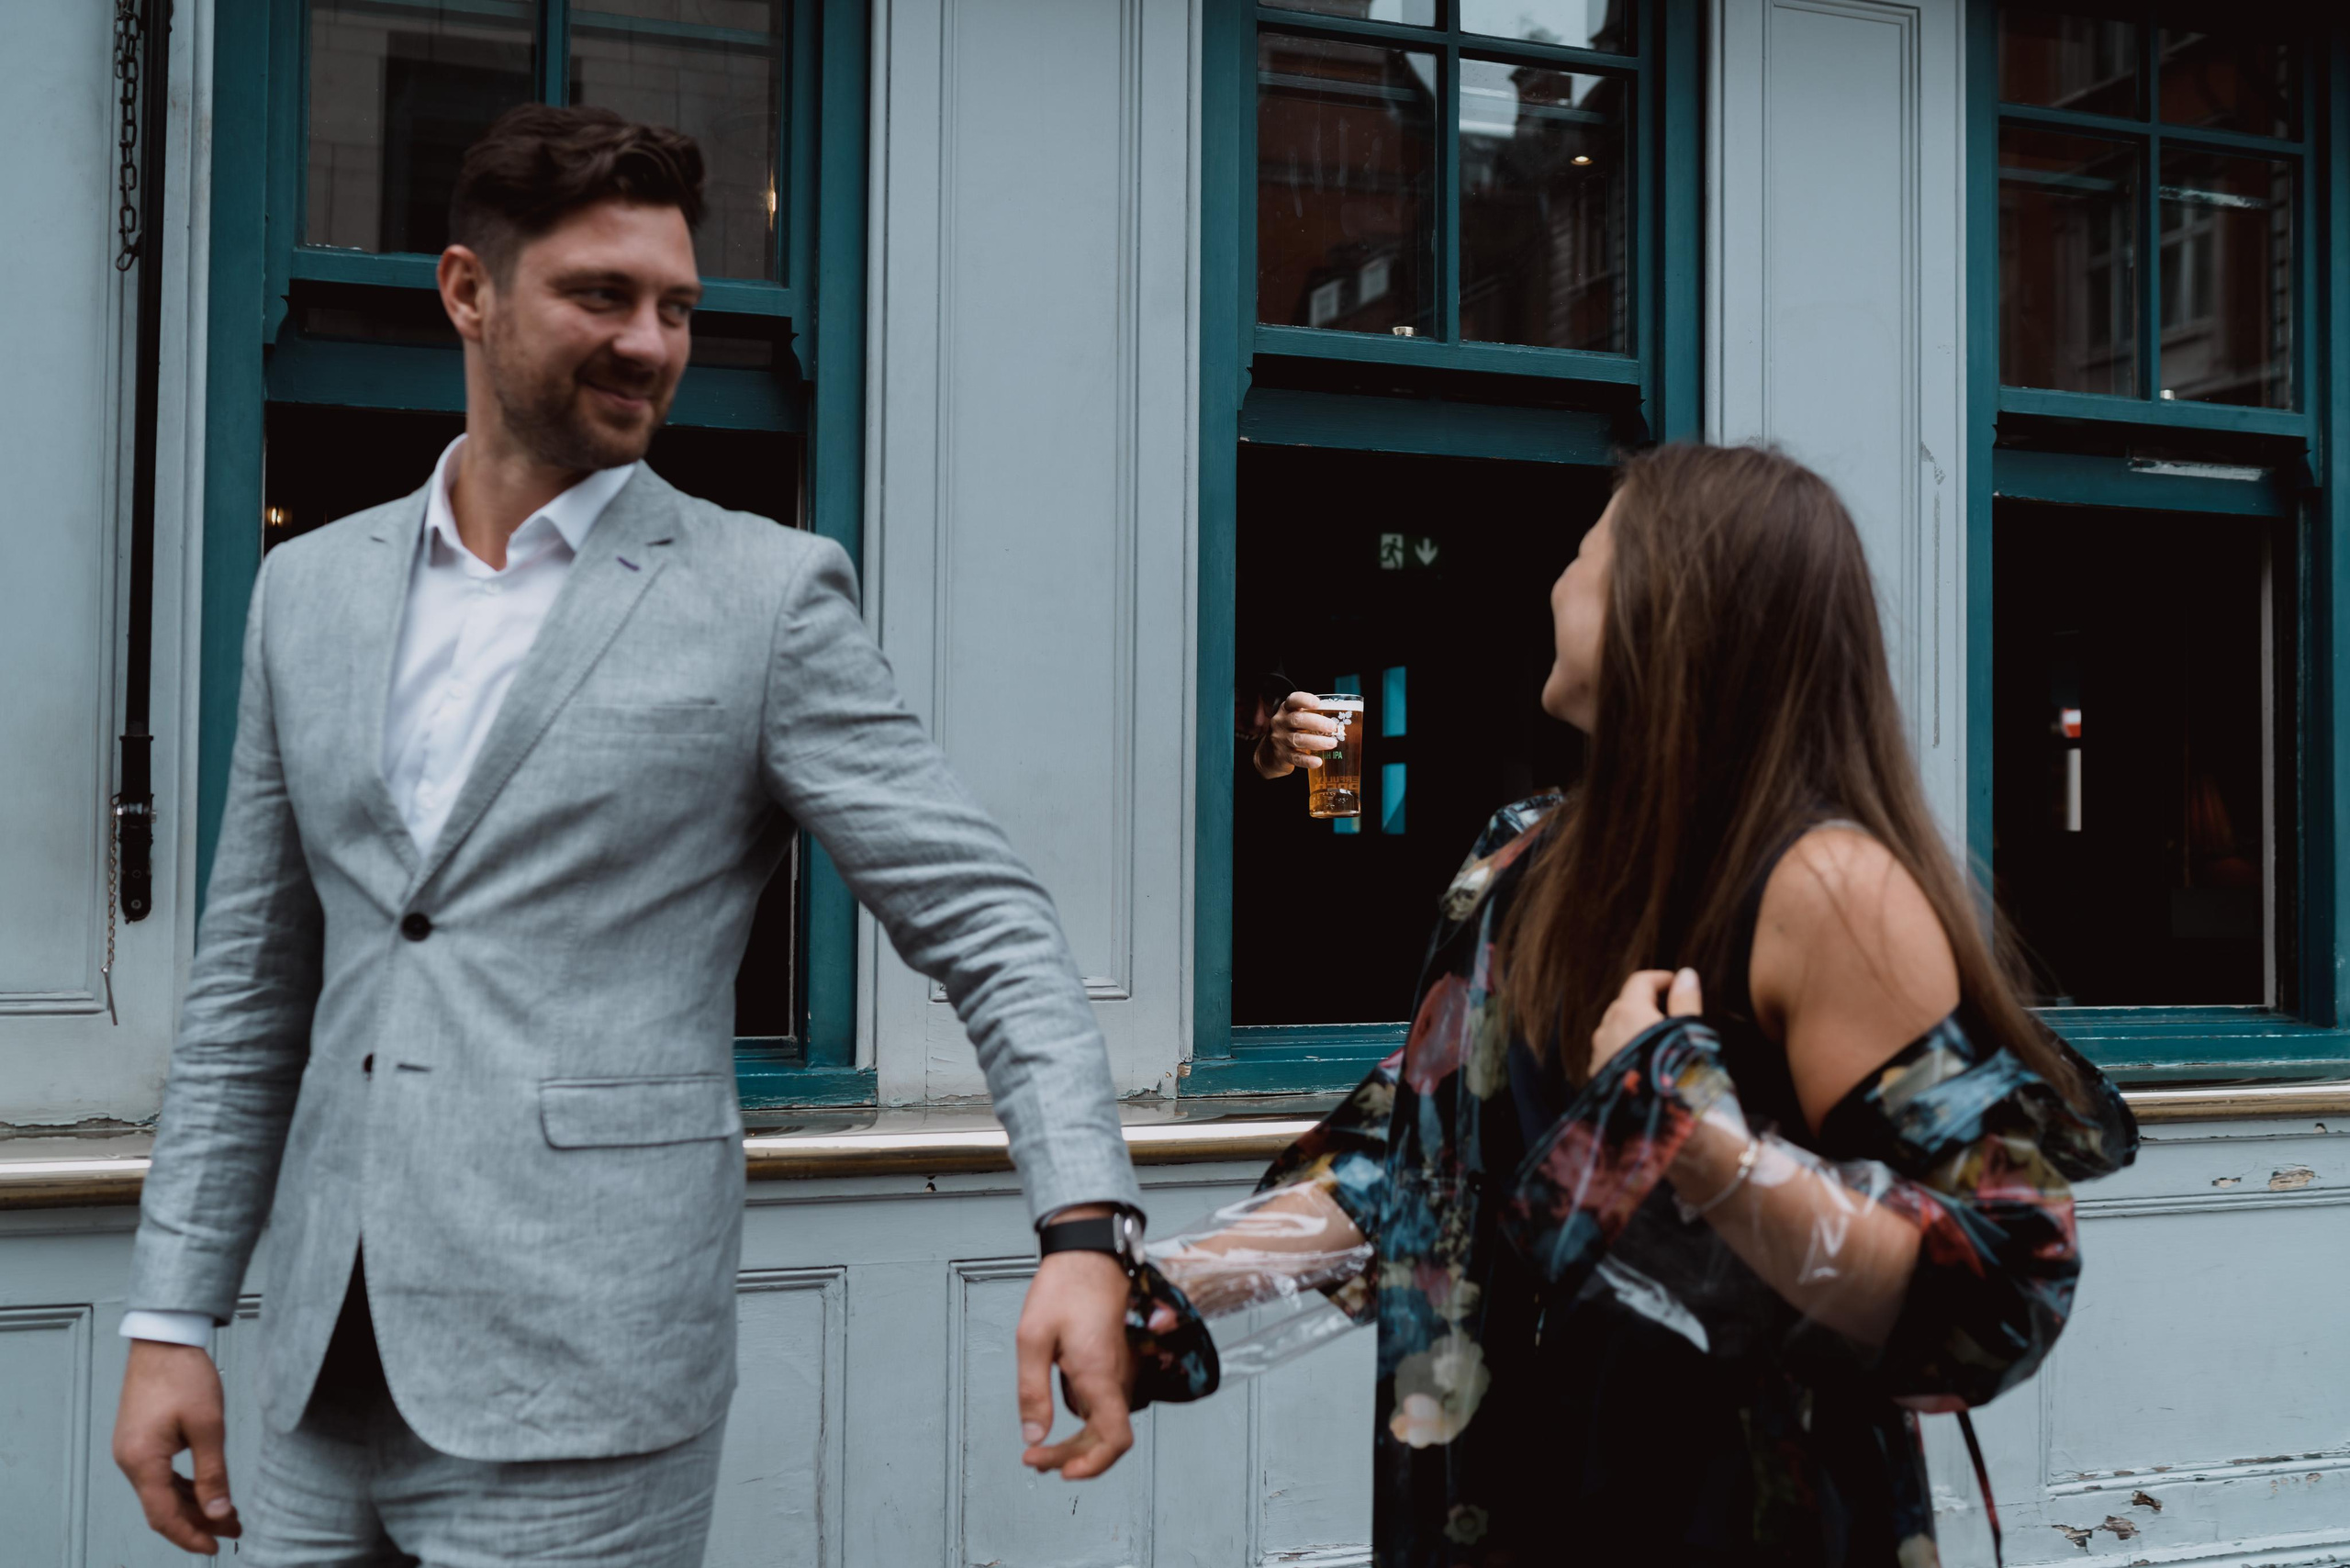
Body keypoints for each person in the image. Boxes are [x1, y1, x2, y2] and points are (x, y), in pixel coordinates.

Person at [111, 106, 1146, 1564]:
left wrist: (1083, 1230)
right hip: (314, 1382)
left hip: (587, 1381)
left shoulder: (766, 599)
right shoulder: (309, 590)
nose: (651, 343)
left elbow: (991, 926)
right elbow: (251, 989)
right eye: (602, 295)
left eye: (677, 307)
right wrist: (171, 1314)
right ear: (468, 291)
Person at [1146, 442, 2138, 1566]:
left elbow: (2002, 1288)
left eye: (1584, 555)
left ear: (1666, 607)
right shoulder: (1524, 857)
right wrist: (1156, 1295)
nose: (1555, 584)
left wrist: (1696, 1139)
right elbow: (1421, 1158)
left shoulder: (1824, 888)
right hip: (1508, 1509)